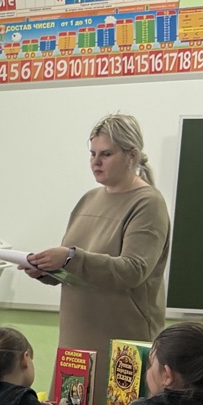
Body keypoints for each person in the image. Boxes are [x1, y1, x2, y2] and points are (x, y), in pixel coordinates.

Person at [24, 112, 172, 352]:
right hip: (75, 341)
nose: (96, 162)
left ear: (131, 156)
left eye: (106, 154)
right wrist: (47, 270)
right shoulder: (88, 200)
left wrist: (71, 258)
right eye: (92, 154)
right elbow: (78, 270)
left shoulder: (148, 203)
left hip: (122, 344)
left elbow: (133, 270)